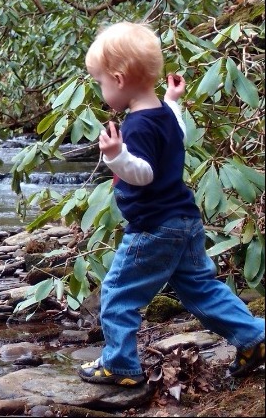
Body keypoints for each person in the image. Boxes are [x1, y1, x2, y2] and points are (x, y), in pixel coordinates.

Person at [77, 21, 265, 387]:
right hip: (184, 221)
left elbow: (143, 172)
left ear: (118, 79)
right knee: (201, 288)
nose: (101, 91)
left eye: (99, 82)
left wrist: (116, 156)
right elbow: (177, 130)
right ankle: (254, 337)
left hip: (154, 228)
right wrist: (174, 101)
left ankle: (120, 364)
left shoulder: (137, 126)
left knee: (118, 292)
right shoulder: (162, 113)